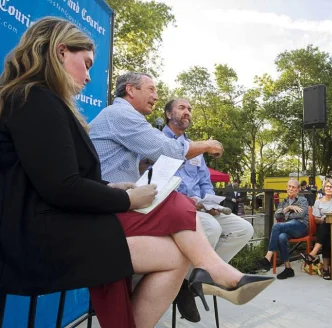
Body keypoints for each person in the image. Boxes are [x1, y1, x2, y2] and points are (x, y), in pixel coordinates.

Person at [0, 18, 272, 327]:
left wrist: (114, 188)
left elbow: (53, 177)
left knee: (177, 230)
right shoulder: (37, 98)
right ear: (61, 52)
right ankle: (215, 273)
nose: (89, 76)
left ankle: (210, 273)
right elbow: (61, 186)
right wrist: (125, 198)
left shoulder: (38, 99)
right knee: (176, 206)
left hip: (70, 215)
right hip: (43, 232)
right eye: (86, 64)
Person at [161, 98, 254, 322]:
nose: (187, 112)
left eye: (190, 109)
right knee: (211, 228)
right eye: (182, 108)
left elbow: (204, 182)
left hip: (201, 208)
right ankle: (185, 286)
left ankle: (194, 281)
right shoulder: (157, 142)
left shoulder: (196, 149)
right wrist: (190, 201)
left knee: (244, 229)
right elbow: (158, 181)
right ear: (167, 114)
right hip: (174, 207)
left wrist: (209, 202)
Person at [256, 180, 309, 279]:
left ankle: (268, 257)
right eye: (289, 186)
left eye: (293, 187)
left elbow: (300, 214)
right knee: (281, 237)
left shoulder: (302, 200)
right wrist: (289, 207)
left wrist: (286, 213)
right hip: (288, 228)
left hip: (301, 227)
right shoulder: (283, 203)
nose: (290, 188)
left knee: (277, 226)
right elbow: (277, 215)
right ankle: (288, 268)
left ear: (298, 190)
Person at [300, 179, 332, 280]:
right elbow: (316, 219)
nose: (329, 188)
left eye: (331, 187)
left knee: (326, 225)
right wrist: (325, 218)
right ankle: (325, 269)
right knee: (327, 231)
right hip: (326, 230)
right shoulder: (318, 202)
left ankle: (313, 255)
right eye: (327, 186)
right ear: (324, 188)